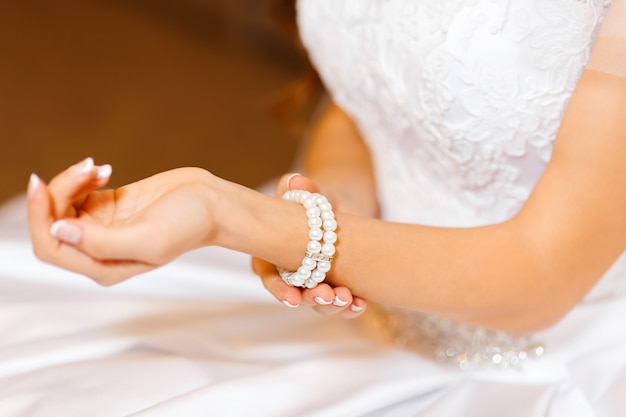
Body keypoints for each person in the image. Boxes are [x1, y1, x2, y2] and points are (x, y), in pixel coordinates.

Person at [25, 0, 626, 415]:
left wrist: (257, 222)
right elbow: (369, 93)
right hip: (368, 316)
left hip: (555, 367)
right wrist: (333, 211)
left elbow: (541, 274)